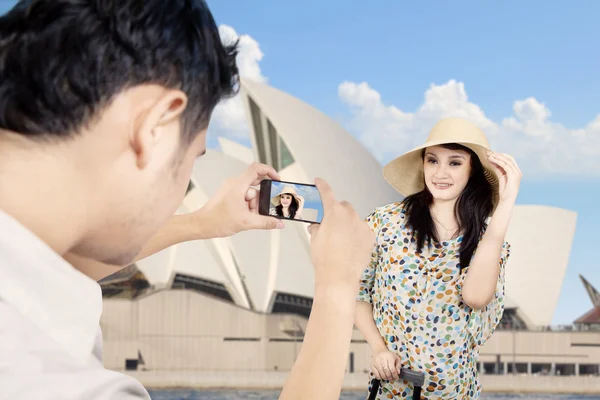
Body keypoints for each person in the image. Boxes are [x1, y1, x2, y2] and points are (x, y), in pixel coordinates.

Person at [0, 1, 374, 399]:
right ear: (155, 125)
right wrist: (337, 287)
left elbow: (55, 263)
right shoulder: (56, 383)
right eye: (193, 158)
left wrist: (203, 223)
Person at [355, 118, 522, 399]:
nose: (440, 173)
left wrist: (507, 202)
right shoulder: (385, 223)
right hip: (394, 389)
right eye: (433, 161)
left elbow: (476, 297)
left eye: (454, 163)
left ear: (473, 171)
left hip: (456, 392)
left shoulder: (488, 241)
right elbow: (357, 291)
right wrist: (378, 348)